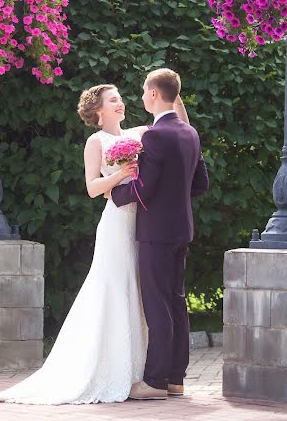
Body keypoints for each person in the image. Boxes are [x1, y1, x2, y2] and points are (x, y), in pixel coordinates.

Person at [0, 79, 194, 405]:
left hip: (142, 221)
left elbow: (173, 119)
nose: (120, 104)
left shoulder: (139, 135)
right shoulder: (96, 142)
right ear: (98, 111)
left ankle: (140, 368)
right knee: (113, 287)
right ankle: (109, 367)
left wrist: (172, 89)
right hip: (116, 221)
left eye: (121, 99)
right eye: (113, 100)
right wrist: (121, 175)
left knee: (142, 296)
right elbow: (93, 188)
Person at [109, 68, 209, 401]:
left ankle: (153, 381)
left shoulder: (155, 135)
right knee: (176, 303)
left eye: (142, 92)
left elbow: (145, 188)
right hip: (182, 229)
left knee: (157, 305)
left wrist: (115, 195)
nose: (140, 97)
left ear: (154, 93)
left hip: (156, 232)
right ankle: (175, 379)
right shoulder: (190, 133)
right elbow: (200, 184)